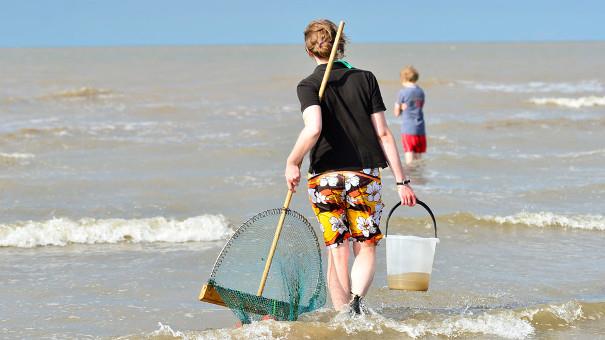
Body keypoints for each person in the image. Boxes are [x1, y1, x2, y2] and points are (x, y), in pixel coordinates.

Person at [284, 19, 416, 315]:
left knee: (337, 250)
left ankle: (344, 315)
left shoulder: (308, 85)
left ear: (309, 51)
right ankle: (356, 300)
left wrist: (292, 161)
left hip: (325, 177)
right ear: (342, 45)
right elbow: (383, 133)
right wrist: (402, 181)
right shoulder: (366, 78)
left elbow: (313, 128)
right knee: (365, 245)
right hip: (364, 175)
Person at [393, 66, 426, 165]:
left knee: (409, 157)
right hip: (420, 128)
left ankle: (411, 178)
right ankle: (418, 178)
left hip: (408, 128)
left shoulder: (402, 92)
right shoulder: (421, 92)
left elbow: (396, 113)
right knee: (418, 158)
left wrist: (401, 109)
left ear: (403, 78)